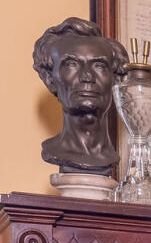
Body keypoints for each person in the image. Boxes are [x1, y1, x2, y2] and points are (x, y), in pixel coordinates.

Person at [33, 17, 128, 175]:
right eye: (72, 64)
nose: (87, 76)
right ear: (50, 79)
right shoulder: (55, 150)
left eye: (99, 65)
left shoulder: (112, 157)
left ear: (116, 79)